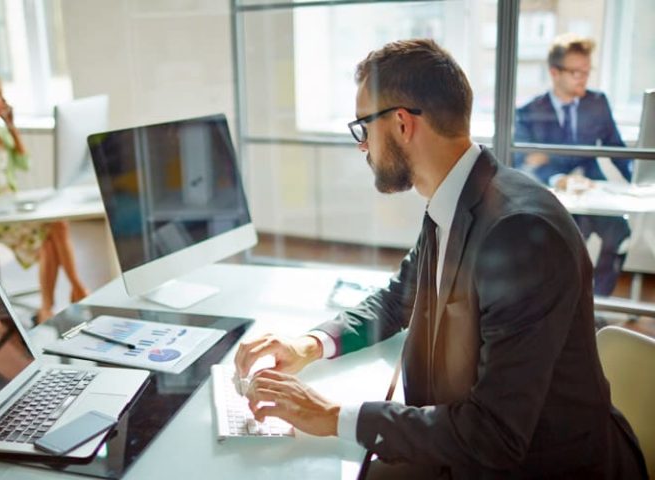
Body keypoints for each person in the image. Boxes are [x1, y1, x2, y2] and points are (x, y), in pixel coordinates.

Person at [234, 39, 647, 478]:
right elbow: (399, 298)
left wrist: (332, 415)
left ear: (400, 124)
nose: (362, 147)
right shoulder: (458, 198)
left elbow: (495, 435)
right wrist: (310, 344)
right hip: (472, 445)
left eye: (363, 128)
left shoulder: (520, 234)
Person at [0, 66, 89, 323]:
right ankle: (73, 291)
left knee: (57, 224)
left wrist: (11, 127)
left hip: (11, 204)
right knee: (53, 232)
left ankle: (50, 306)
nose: (3, 100)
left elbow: (24, 164)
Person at [514, 33, 631, 296]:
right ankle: (565, 305)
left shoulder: (597, 103)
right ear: (554, 72)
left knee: (620, 234)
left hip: (592, 187)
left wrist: (639, 177)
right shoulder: (529, 111)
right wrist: (557, 177)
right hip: (553, 193)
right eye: (576, 72)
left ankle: (597, 301)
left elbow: (616, 148)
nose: (583, 78)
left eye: (587, 72)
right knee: (566, 248)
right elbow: (523, 160)